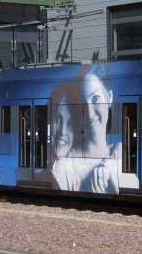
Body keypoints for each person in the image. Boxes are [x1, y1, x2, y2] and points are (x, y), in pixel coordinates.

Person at [48, 64, 120, 194]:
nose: (90, 113)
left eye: (96, 98)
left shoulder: (119, 151)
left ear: (109, 97)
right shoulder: (63, 167)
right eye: (83, 103)